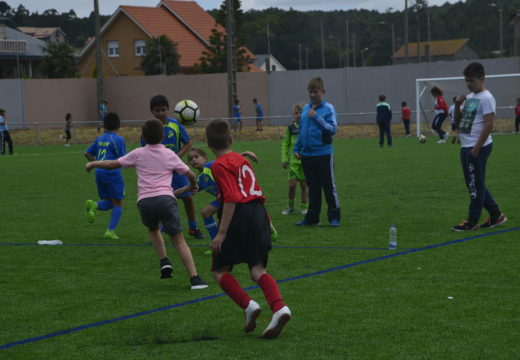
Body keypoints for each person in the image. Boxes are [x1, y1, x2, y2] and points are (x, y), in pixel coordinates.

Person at [86, 119, 208, 289]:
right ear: (163, 136)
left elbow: (113, 164)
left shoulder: (138, 153)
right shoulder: (169, 154)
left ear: (142, 136)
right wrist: (193, 185)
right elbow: (189, 174)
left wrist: (93, 163)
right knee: (178, 239)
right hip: (166, 199)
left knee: (153, 229)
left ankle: (164, 260)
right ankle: (195, 279)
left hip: (144, 201)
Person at [205, 119, 291, 339]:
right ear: (231, 140)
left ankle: (248, 305)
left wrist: (221, 232)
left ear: (208, 144)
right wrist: (268, 221)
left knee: (218, 270)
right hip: (258, 214)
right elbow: (255, 191)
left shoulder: (217, 165)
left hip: (239, 216)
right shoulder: (242, 160)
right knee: (257, 269)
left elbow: (231, 198)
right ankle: (279, 307)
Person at [452, 62, 507, 231]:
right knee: (475, 184)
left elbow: (489, 125)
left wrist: (476, 148)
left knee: (475, 185)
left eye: (472, 80)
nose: (469, 84)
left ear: (482, 78)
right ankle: (496, 215)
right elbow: (459, 122)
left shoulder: (487, 97)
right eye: (467, 81)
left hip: (477, 147)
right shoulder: (469, 98)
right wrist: (457, 105)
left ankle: (472, 221)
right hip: (466, 146)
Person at [145, 95, 205, 239]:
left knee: (187, 197)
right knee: (159, 202)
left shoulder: (175, 125)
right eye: (157, 110)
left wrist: (177, 156)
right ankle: (158, 231)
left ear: (168, 109)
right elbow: (144, 149)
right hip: (158, 173)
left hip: (176, 171)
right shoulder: (148, 128)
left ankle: (193, 227)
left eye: (163, 110)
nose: (160, 113)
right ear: (151, 111)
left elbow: (188, 143)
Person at [293, 77, 340, 227]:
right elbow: (301, 131)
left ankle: (334, 217)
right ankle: (312, 218)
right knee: (312, 188)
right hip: (307, 155)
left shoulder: (329, 108)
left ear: (323, 92)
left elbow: (333, 129)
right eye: (310, 92)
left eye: (316, 92)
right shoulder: (306, 109)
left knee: (328, 187)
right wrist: (297, 148)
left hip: (324, 154)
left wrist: (317, 118)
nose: (313, 95)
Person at [188, 147, 260, 241]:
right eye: (190, 159)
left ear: (205, 158)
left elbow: (229, 160)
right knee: (206, 212)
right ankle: (217, 242)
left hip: (234, 196)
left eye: (196, 157)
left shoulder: (210, 166)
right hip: (223, 199)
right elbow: (192, 190)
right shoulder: (199, 178)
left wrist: (246, 153)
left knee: (211, 214)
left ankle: (266, 229)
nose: (193, 160)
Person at [84, 112, 126, 240]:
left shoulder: (100, 138)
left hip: (99, 173)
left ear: (104, 125)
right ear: (119, 125)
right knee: (118, 203)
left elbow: (87, 153)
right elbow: (123, 159)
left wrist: (95, 163)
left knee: (109, 202)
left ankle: (94, 205)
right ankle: (110, 231)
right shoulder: (118, 139)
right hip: (112, 174)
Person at [281, 102, 308, 215]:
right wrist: (284, 158)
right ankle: (290, 206)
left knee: (304, 185)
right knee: (292, 185)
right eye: (295, 113)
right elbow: (285, 144)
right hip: (293, 161)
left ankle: (304, 207)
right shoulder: (290, 128)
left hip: (305, 160)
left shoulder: (307, 127)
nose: (297, 115)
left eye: (300, 113)